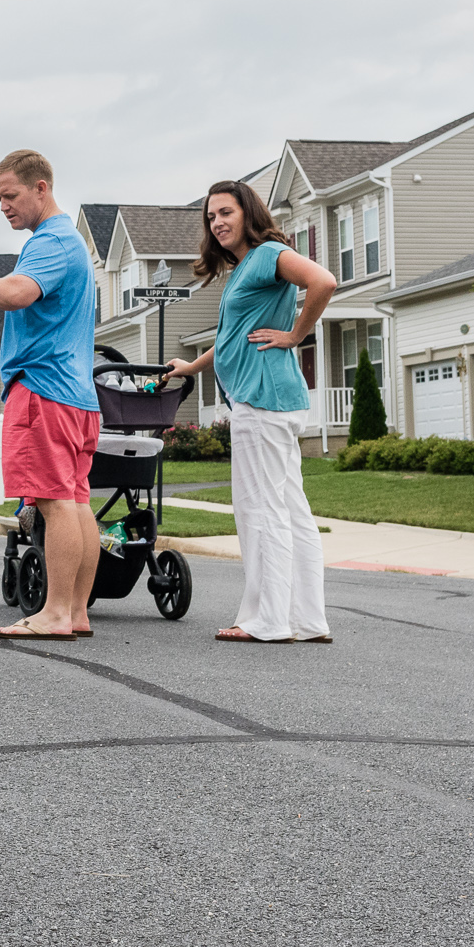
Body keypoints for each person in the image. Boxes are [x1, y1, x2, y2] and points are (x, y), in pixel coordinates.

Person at [165, 178, 339, 644]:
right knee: (289, 509)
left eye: (225, 212)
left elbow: (323, 281)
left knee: (261, 510)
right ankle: (306, 621)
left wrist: (296, 335)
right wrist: (192, 366)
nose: (217, 222)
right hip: (272, 399)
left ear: (248, 212)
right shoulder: (246, 267)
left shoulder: (266, 254)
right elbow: (233, 338)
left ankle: (268, 620)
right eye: (211, 216)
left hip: (261, 400)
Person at [0, 149, 100, 640]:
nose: (3, 206)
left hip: (43, 392)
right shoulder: (68, 243)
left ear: (41, 188)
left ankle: (54, 614)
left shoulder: (50, 241)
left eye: (10, 195)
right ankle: (74, 612)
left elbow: (18, 293)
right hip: (77, 395)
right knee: (75, 502)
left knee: (55, 503)